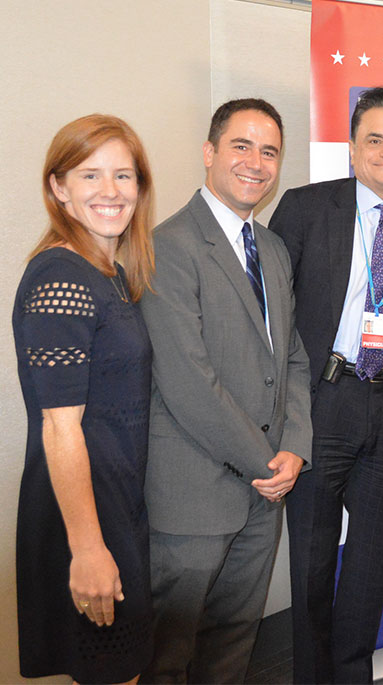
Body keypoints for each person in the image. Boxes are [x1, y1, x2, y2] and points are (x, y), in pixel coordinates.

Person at [268, 86, 383, 684]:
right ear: (351, 147)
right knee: (313, 562)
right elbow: (271, 315)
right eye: (375, 139)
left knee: (372, 560)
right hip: (324, 400)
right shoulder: (303, 208)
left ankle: (352, 674)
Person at [139, 98, 312, 683]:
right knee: (169, 652)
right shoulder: (166, 246)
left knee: (233, 643)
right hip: (194, 492)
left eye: (269, 152)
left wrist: (295, 447)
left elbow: (291, 357)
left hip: (265, 491)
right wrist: (268, 461)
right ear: (210, 152)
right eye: (241, 146)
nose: (255, 163)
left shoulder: (274, 249)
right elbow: (188, 381)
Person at [13, 114, 156, 684]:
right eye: (90, 175)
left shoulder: (109, 273)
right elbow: (59, 427)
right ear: (58, 187)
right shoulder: (61, 280)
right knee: (113, 672)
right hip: (86, 515)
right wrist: (89, 548)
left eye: (124, 175)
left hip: (116, 500)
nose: (110, 191)